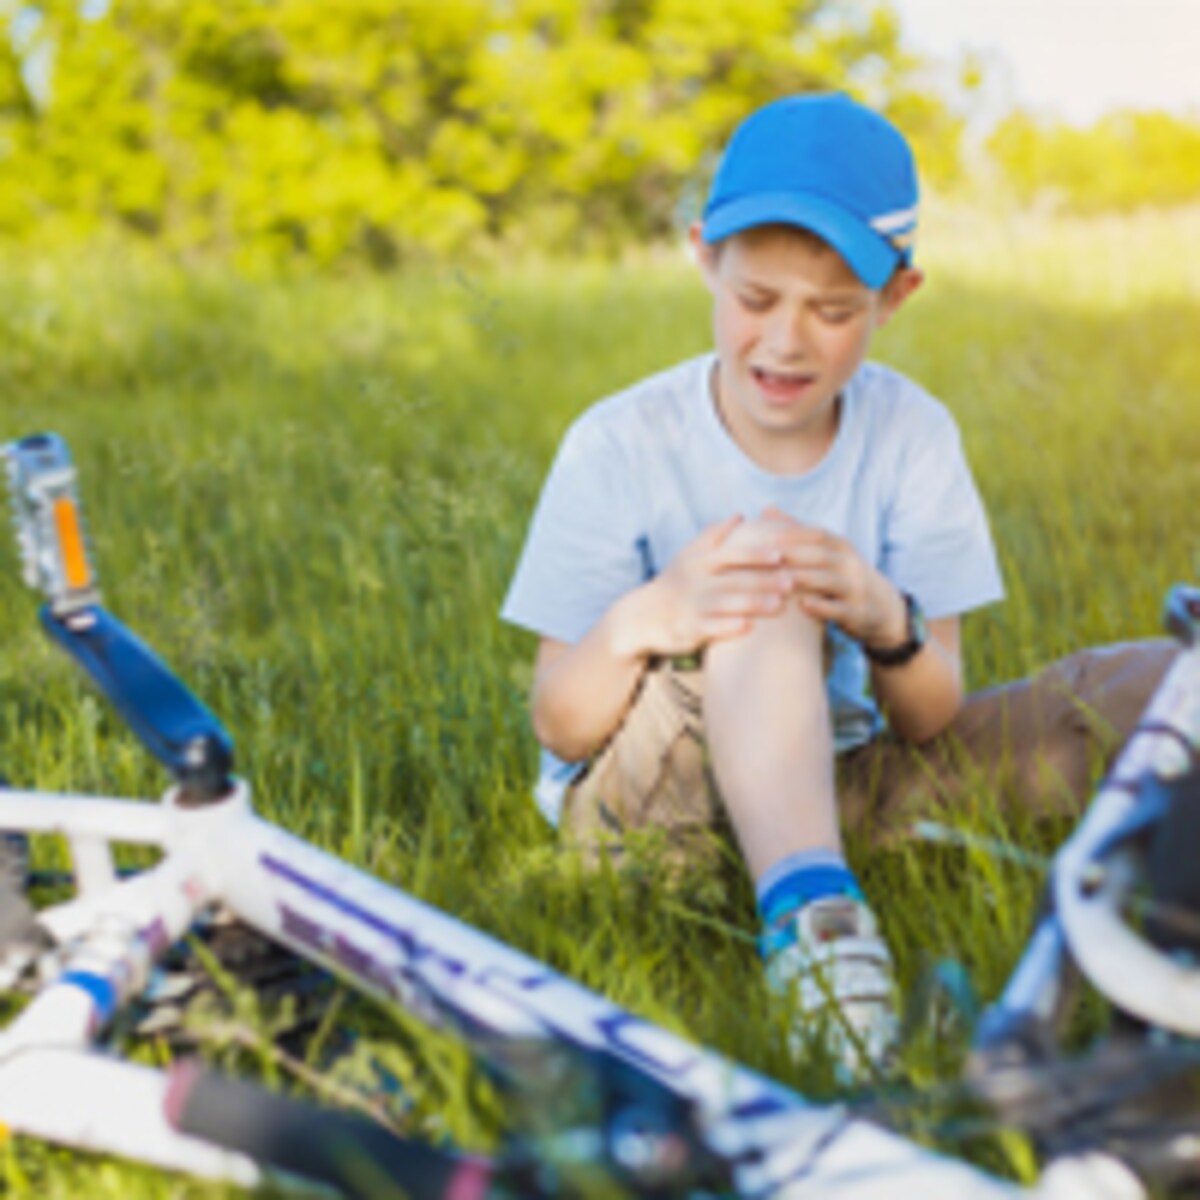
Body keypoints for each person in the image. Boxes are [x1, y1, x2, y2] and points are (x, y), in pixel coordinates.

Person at [500, 93, 1176, 1075]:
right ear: (704, 259)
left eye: (832, 311)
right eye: (757, 299)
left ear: (895, 296)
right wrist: (655, 614)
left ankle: (1151, 931)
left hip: (840, 779)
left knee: (1163, 686)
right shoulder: (618, 441)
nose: (785, 343)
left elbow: (931, 713)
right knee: (766, 581)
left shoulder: (914, 435)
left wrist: (884, 619)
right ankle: (823, 947)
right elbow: (559, 722)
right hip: (653, 815)